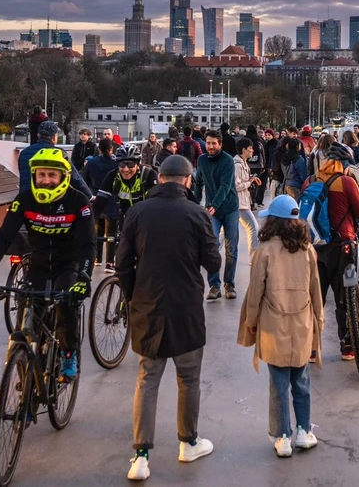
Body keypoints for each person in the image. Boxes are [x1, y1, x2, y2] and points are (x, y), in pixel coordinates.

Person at [116, 154, 220, 480]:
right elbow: (214, 262)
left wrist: (134, 296)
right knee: (188, 380)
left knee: (147, 380)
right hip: (186, 307)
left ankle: (141, 456)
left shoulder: (137, 212)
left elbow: (122, 263)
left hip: (148, 306)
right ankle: (188, 442)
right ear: (188, 181)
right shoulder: (197, 213)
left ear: (159, 179)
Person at [0, 147, 95, 383]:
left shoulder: (78, 202)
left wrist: (84, 277)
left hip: (67, 265)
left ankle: (68, 353)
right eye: (41, 175)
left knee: (65, 306)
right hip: (38, 265)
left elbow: (88, 244)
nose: (46, 181)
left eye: (52, 176)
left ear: (63, 177)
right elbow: (3, 238)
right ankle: (28, 385)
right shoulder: (24, 200)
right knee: (25, 324)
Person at [238, 195, 322, 458]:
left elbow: (255, 292)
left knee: (278, 383)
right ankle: (304, 430)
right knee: (302, 380)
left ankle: (282, 436)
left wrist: (251, 322)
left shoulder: (264, 250)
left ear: (273, 221)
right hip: (302, 322)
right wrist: (318, 321)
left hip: (273, 325)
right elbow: (316, 290)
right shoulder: (308, 250)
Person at [312, 143, 359, 361]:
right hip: (341, 245)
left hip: (316, 247)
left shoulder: (311, 181)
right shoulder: (346, 182)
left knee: (314, 297)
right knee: (343, 297)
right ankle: (347, 345)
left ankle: (311, 348)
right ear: (345, 164)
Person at [92, 145, 158, 272]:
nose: (126, 169)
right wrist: (88, 225)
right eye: (122, 164)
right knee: (122, 263)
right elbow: (99, 204)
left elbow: (158, 204)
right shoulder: (112, 176)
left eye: (130, 164)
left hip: (147, 220)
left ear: (137, 164)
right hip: (125, 220)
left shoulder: (148, 175)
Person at [195, 130, 241, 300]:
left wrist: (214, 204)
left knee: (231, 248)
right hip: (211, 211)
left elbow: (226, 185)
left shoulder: (228, 160)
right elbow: (198, 182)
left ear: (220, 144)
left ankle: (229, 284)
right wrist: (194, 201)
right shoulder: (201, 160)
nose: (211, 146)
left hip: (229, 209)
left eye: (214, 143)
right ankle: (214, 285)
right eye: (208, 143)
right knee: (211, 247)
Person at [18, 121, 92, 198]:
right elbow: (75, 178)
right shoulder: (59, 153)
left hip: (25, 198)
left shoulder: (24, 153)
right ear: (53, 138)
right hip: (48, 197)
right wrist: (89, 195)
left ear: (38, 135)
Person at [83, 138, 121, 267]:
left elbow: (84, 180)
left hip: (96, 199)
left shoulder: (91, 163)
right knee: (111, 232)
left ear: (98, 149)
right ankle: (110, 262)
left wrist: (91, 194)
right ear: (112, 149)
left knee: (97, 231)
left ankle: (97, 258)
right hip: (112, 201)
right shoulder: (117, 164)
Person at [234, 138, 262, 254]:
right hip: (239, 203)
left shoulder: (243, 163)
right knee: (253, 227)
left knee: (223, 232)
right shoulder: (237, 165)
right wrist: (249, 183)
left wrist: (251, 180)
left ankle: (208, 253)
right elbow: (236, 185)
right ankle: (254, 257)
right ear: (243, 150)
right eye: (250, 148)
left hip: (241, 202)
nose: (252, 150)